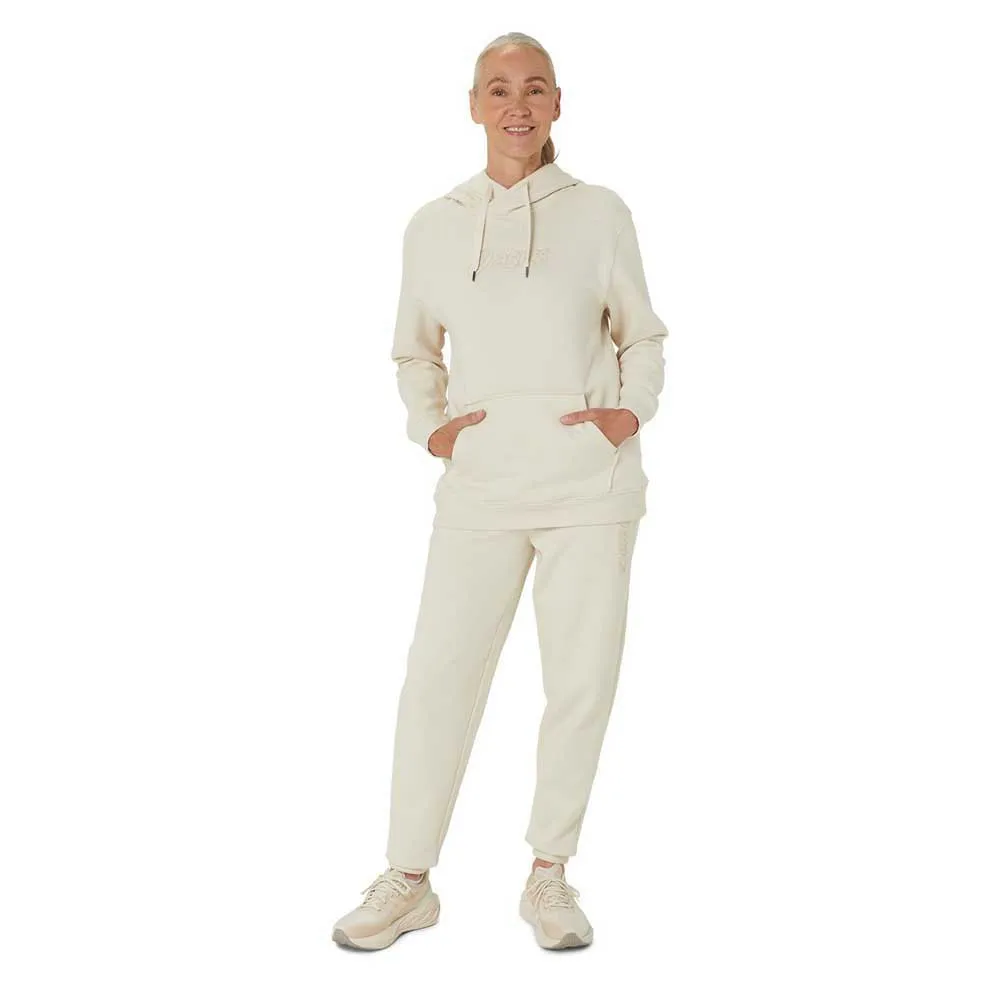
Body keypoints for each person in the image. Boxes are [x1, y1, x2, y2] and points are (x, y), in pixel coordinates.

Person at [332, 32, 669, 951]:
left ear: (558, 103)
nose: (516, 105)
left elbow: (642, 333)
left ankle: (549, 875)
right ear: (473, 105)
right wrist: (433, 427)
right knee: (437, 679)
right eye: (498, 89)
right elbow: (414, 351)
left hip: (590, 487)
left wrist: (627, 414)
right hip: (481, 488)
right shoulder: (434, 225)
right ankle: (409, 879)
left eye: (534, 88)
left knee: (580, 683)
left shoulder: (600, 213)